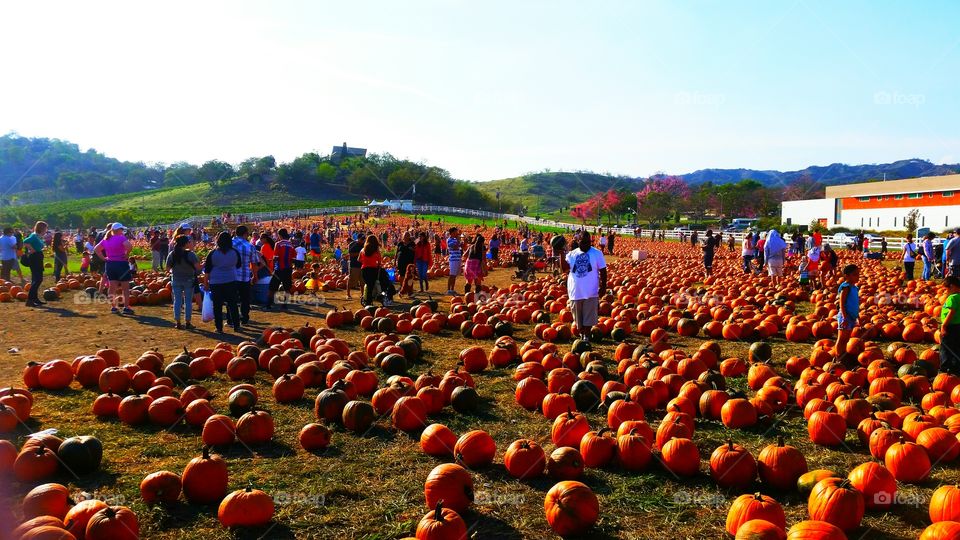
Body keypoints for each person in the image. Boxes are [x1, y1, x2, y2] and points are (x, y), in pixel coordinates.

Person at [565, 231, 607, 342]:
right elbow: (564, 269)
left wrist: (603, 286)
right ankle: (582, 333)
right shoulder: (572, 254)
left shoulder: (597, 253)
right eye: (583, 242)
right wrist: (560, 253)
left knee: (589, 317)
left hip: (591, 291)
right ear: (578, 242)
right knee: (578, 319)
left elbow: (603, 270)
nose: (586, 244)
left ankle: (586, 337)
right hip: (575, 290)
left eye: (588, 242)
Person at [203, 231, 242, 333]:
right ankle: (236, 325)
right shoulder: (235, 252)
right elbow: (238, 265)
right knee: (232, 304)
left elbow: (207, 270)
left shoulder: (212, 253)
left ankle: (219, 328)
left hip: (216, 282)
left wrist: (205, 283)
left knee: (217, 305)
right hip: (231, 280)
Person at [95, 223, 135, 315]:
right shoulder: (121, 238)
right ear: (118, 230)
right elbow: (129, 246)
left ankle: (113, 307)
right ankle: (126, 307)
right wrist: (126, 254)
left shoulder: (106, 239)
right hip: (121, 263)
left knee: (112, 287)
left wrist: (104, 258)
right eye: (121, 229)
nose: (122, 231)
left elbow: (96, 249)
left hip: (110, 264)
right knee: (125, 287)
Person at [166, 234, 200, 329]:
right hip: (189, 279)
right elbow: (198, 267)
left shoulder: (172, 254)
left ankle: (178, 322)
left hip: (176, 279)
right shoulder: (191, 254)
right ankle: (188, 322)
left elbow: (167, 268)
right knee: (188, 301)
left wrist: (175, 271)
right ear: (185, 244)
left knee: (177, 301)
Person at [232, 225, 259, 326]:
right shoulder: (249, 246)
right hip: (244, 276)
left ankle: (232, 320)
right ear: (245, 234)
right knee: (245, 299)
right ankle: (244, 318)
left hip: (231, 276)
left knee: (232, 299)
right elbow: (254, 263)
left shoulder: (230, 244)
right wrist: (255, 276)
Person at [834, 264, 860, 366]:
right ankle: (838, 357)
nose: (857, 276)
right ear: (846, 276)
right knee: (841, 338)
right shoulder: (846, 287)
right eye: (854, 274)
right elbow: (841, 303)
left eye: (858, 274)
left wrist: (857, 316)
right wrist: (844, 317)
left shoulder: (854, 287)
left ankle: (843, 355)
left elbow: (855, 302)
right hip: (845, 316)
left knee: (846, 338)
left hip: (851, 316)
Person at [22, 221, 48, 307]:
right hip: (35, 258)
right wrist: (31, 249)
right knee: (38, 279)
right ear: (41, 228)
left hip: (38, 257)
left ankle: (34, 299)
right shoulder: (34, 235)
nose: (46, 230)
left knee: (35, 279)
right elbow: (25, 242)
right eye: (45, 228)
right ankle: (30, 300)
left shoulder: (38, 236)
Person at [267, 229, 295, 310]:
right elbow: (293, 257)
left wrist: (271, 261)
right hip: (288, 268)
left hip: (279, 269)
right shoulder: (291, 244)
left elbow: (276, 257)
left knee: (272, 287)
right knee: (287, 288)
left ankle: (268, 304)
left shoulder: (278, 244)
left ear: (280, 235)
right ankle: (285, 305)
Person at [940, 276, 960, 376]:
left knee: (945, 347)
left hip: (950, 326)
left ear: (951, 286)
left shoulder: (952, 298)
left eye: (945, 289)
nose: (945, 292)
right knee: (956, 346)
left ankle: (945, 367)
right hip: (958, 326)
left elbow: (951, 312)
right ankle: (957, 367)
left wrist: (944, 326)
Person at [359, 235, 385, 305]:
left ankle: (368, 300)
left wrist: (365, 262)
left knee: (368, 285)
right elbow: (379, 261)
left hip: (364, 270)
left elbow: (359, 259)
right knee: (371, 286)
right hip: (373, 270)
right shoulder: (376, 250)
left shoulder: (363, 250)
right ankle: (369, 302)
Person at [446, 227, 462, 295]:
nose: (457, 233)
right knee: (452, 275)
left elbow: (460, 246)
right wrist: (458, 241)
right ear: (452, 233)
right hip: (453, 260)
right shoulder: (449, 240)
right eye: (456, 232)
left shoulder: (455, 239)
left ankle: (452, 289)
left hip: (458, 259)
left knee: (454, 275)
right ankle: (448, 290)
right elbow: (454, 247)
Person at [347, 235, 362, 300]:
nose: (363, 241)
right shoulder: (352, 244)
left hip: (362, 264)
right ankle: (348, 294)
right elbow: (350, 254)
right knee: (351, 280)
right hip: (354, 265)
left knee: (362, 281)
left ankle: (362, 294)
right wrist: (360, 253)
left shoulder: (364, 244)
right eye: (361, 239)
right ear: (358, 239)